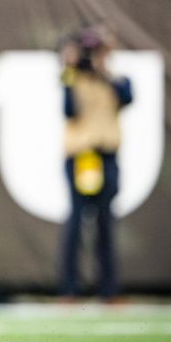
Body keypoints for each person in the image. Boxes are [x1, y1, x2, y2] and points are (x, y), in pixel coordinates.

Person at [58, 28, 131, 300]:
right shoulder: (73, 79)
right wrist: (71, 68)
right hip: (81, 156)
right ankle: (70, 287)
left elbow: (127, 98)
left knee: (105, 222)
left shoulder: (115, 79)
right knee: (76, 220)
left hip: (106, 153)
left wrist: (102, 71)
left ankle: (108, 289)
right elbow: (68, 109)